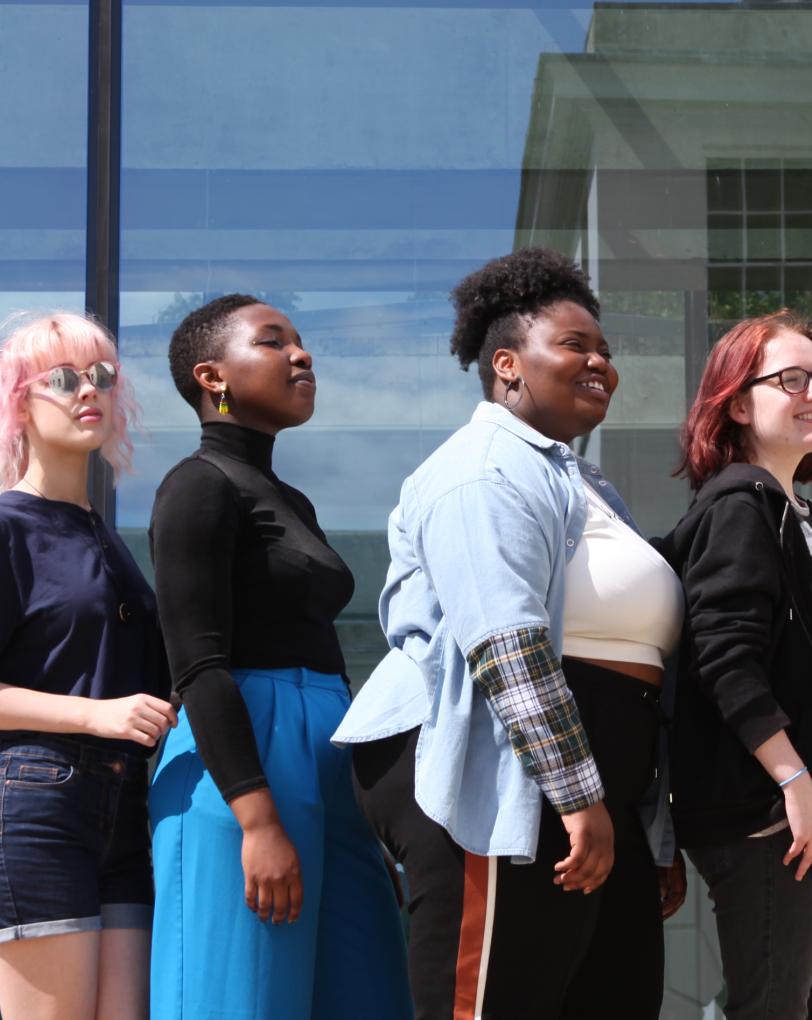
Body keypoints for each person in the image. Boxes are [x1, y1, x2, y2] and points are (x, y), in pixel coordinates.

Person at [333, 248, 687, 1020]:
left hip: (594, 786)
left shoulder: (581, 482)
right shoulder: (484, 470)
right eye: (574, 345)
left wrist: (643, 825)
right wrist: (577, 793)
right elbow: (507, 642)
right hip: (500, 776)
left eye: (605, 350)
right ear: (508, 365)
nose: (599, 361)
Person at [146, 295, 411, 1020]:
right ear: (213, 376)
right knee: (241, 998)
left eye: (301, 341)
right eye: (273, 342)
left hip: (327, 754)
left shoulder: (292, 499)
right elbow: (197, 664)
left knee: (368, 991)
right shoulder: (196, 485)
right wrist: (257, 820)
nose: (303, 355)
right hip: (245, 762)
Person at [0, 312, 174, 1020]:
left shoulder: (105, 538)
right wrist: (98, 713)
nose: (86, 391)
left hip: (125, 808)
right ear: (19, 403)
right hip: (37, 801)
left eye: (101, 376)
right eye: (62, 379)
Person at [660, 309, 812, 1019]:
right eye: (791, 379)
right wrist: (797, 783)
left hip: (807, 815)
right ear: (739, 403)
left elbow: (809, 671)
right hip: (768, 817)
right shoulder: (740, 506)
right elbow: (727, 662)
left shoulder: (791, 511)